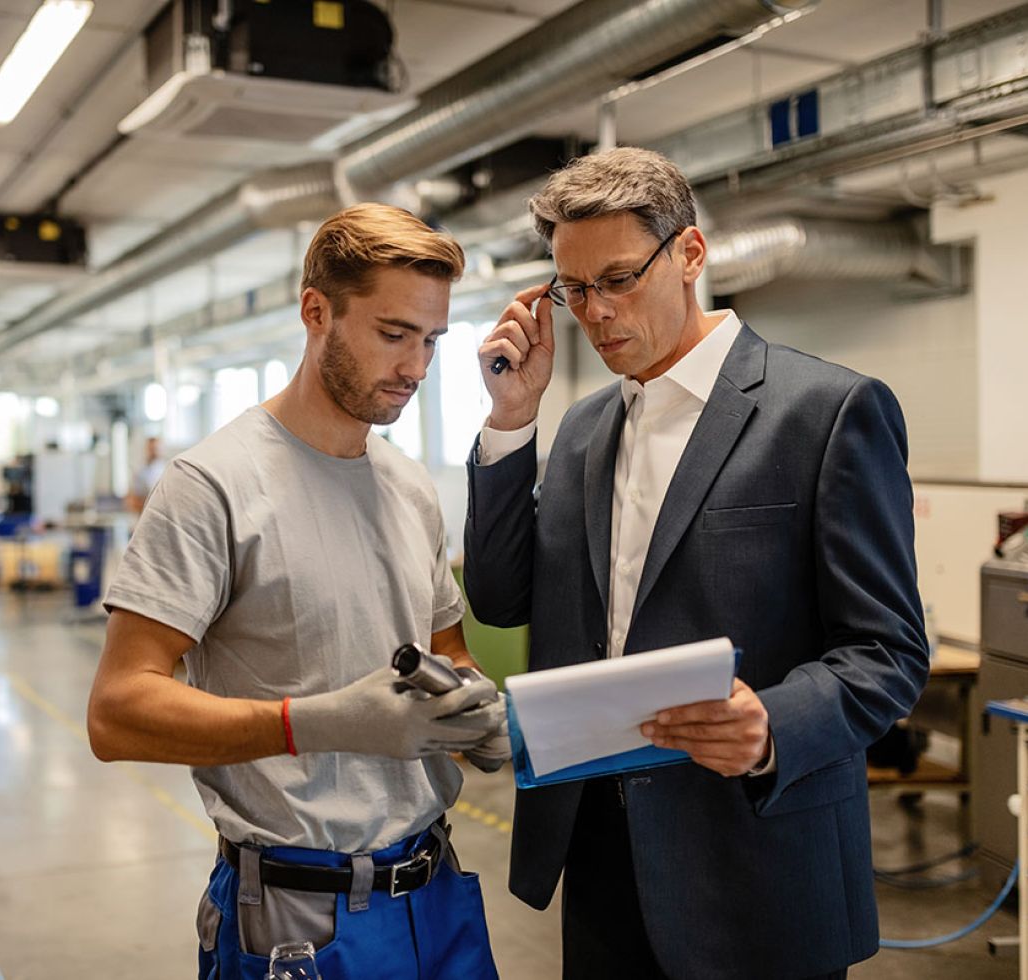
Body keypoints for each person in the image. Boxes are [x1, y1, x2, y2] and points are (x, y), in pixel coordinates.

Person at [463, 148, 929, 979]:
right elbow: (500, 601)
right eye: (572, 291)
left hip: (753, 853)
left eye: (617, 279)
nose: (595, 312)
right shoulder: (578, 430)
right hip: (600, 850)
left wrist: (770, 729)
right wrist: (509, 421)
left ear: (688, 253)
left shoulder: (824, 412)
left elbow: (887, 653)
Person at [88, 203, 508, 979]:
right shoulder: (211, 486)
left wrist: (473, 712)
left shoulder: (410, 488)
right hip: (299, 919)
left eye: (431, 340)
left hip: (436, 894)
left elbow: (448, 652)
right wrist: (317, 723)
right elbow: (117, 714)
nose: (416, 367)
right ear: (315, 312)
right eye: (392, 334)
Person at [125, 436, 166, 514]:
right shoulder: (140, 472)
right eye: (152, 448)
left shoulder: (167, 469)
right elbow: (133, 500)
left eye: (156, 448)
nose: (154, 451)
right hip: (144, 514)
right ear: (147, 449)